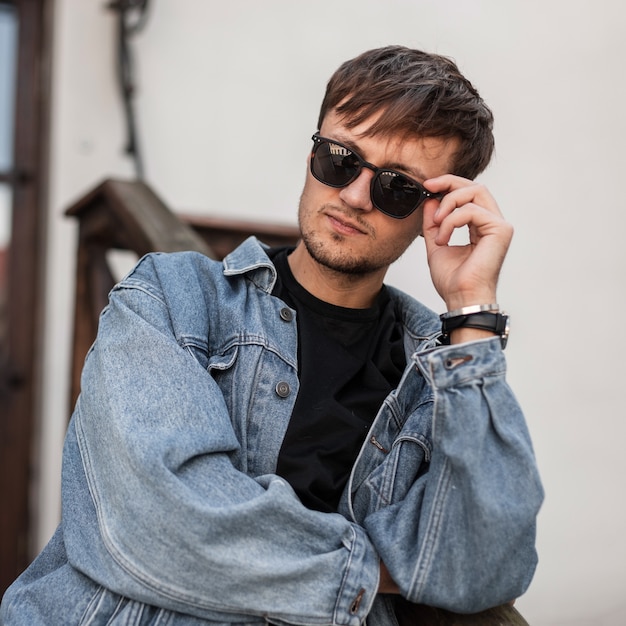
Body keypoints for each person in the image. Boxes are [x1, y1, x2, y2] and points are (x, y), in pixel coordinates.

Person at [0, 45, 543, 625]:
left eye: (397, 188)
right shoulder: (172, 298)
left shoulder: (434, 368)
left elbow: (488, 564)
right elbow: (161, 525)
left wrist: (471, 310)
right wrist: (388, 571)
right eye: (340, 159)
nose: (355, 196)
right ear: (312, 152)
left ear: (435, 212)